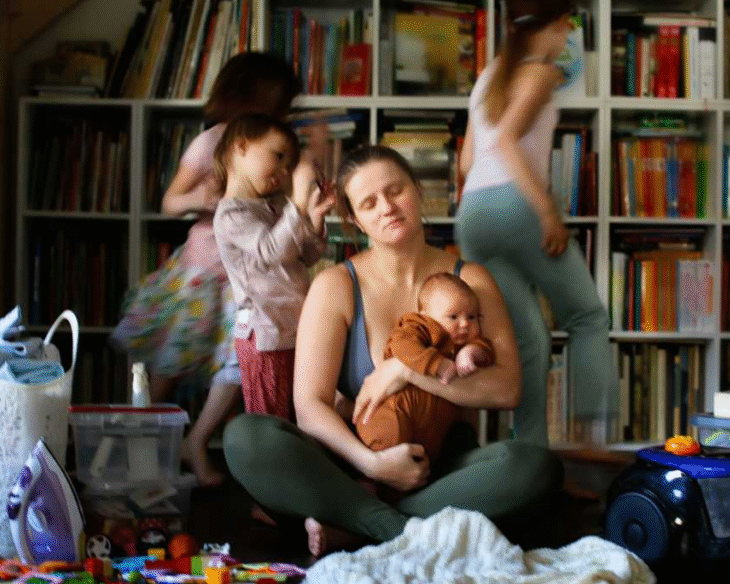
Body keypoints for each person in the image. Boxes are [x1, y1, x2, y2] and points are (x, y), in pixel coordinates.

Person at [223, 145, 562, 557]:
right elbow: (309, 406)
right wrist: (374, 466)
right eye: (368, 203)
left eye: (395, 190)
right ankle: (401, 527)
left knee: (534, 468)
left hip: (442, 470)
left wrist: (405, 370)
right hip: (353, 466)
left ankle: (357, 524)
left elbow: (507, 389)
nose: (387, 207)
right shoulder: (335, 285)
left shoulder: (471, 279)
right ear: (354, 218)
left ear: (418, 191)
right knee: (246, 438)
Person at [110, 52, 302, 486]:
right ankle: (139, 448)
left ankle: (196, 441)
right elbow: (169, 202)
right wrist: (206, 200)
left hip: (245, 281)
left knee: (237, 362)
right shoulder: (210, 142)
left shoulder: (276, 149)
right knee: (169, 362)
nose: (279, 115)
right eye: (274, 106)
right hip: (202, 274)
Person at [455, 0, 618, 446]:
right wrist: (547, 212)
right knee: (587, 318)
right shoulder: (541, 73)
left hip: (474, 215)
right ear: (556, 24)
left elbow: (466, 162)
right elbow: (506, 140)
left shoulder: (488, 77)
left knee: (528, 340)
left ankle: (530, 452)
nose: (566, 36)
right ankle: (592, 442)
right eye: (565, 26)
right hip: (517, 206)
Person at [213, 112, 333, 422]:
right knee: (270, 421)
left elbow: (306, 256)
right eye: (278, 156)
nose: (283, 172)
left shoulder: (277, 205)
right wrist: (297, 204)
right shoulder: (231, 214)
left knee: (301, 414)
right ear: (241, 147)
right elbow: (270, 252)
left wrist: (314, 218)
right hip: (264, 335)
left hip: (295, 329)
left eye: (288, 166)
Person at [356, 271, 494, 463]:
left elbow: (487, 350)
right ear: (426, 316)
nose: (464, 324)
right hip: (395, 412)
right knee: (389, 442)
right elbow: (401, 346)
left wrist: (471, 352)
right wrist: (438, 364)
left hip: (431, 431)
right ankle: (374, 474)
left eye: (472, 317)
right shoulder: (420, 327)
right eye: (453, 316)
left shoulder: (463, 343)